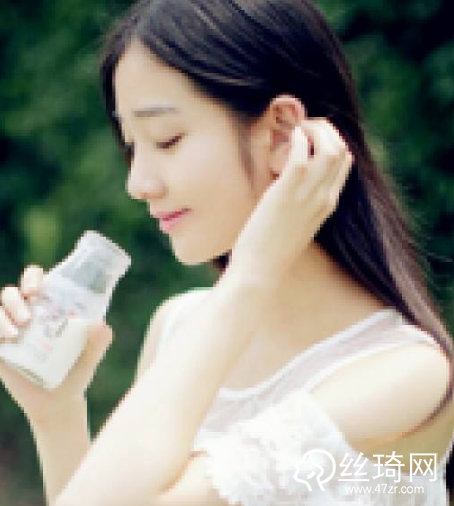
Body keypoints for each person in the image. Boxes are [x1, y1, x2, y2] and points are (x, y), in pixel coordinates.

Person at [0, 0, 453, 505]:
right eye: (131, 147)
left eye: (166, 139)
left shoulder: (406, 373)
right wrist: (57, 414)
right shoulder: (177, 326)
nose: (137, 182)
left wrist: (252, 273)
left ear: (281, 131)